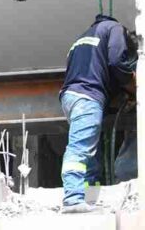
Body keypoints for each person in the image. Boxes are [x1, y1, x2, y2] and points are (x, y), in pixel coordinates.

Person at [58, 14, 137, 213]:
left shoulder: (81, 39)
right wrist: (134, 86)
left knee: (91, 155)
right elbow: (116, 62)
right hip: (87, 97)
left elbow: (97, 69)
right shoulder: (116, 28)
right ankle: (73, 199)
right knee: (81, 148)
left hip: (71, 97)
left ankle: (88, 196)